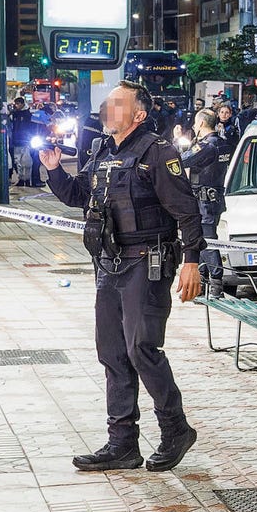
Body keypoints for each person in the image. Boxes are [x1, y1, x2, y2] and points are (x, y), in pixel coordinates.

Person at [40, 80, 204, 473]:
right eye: (108, 102)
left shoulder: (158, 152)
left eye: (117, 103)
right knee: (112, 354)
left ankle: (175, 429)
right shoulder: (99, 150)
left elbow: (187, 212)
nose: (107, 109)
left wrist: (192, 261)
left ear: (139, 114)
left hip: (146, 262)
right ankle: (122, 445)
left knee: (141, 350)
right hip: (109, 264)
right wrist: (53, 170)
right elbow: (81, 196)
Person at [181, 109, 231, 298]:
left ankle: (216, 285)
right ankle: (201, 282)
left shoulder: (207, 146)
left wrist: (180, 143)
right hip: (213, 198)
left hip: (204, 201)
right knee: (200, 239)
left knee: (207, 242)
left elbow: (183, 161)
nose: (194, 126)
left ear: (201, 123)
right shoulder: (223, 144)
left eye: (195, 123)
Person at [9, 98, 35, 186]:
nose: (16, 106)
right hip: (17, 141)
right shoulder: (14, 114)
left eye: (18, 104)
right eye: (16, 104)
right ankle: (21, 178)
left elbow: (31, 127)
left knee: (27, 162)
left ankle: (27, 179)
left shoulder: (28, 114)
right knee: (18, 161)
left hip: (25, 141)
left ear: (22, 104)